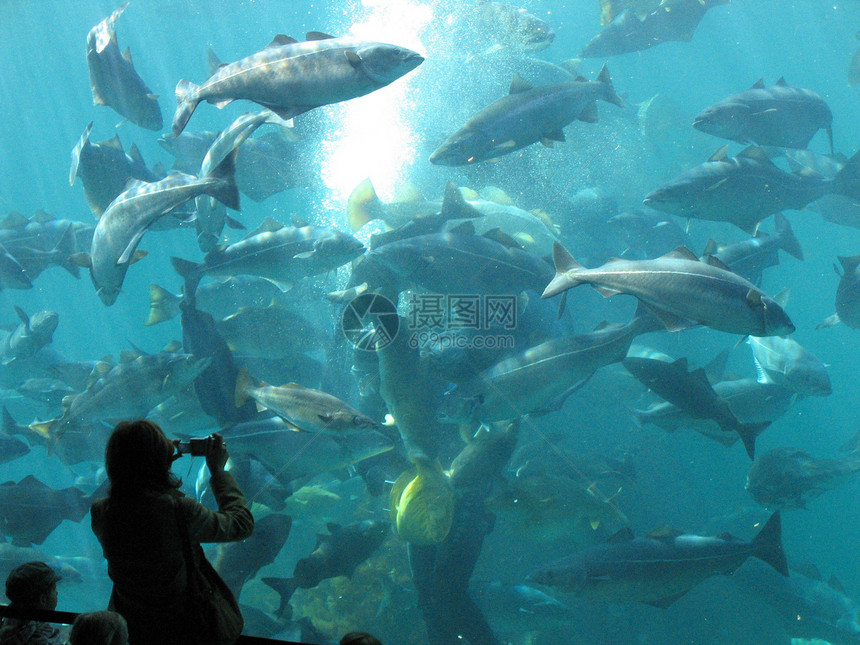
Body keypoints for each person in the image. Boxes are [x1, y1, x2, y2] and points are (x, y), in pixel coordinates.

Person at [90, 420, 254, 645]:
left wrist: (158, 461)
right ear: (160, 459)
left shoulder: (101, 511)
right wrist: (218, 472)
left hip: (134, 629)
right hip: (184, 629)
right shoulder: (177, 510)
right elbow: (240, 524)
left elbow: (138, 500)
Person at [0, 561, 64, 645]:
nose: (56, 593)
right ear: (43, 599)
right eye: (54, 589)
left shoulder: (6, 624)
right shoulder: (42, 638)